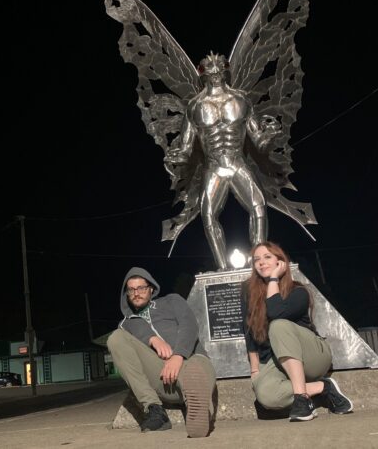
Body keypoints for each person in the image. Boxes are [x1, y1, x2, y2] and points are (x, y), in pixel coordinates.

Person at [165, 53, 283, 270]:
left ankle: (258, 263)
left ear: (225, 72)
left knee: (259, 207)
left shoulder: (241, 99)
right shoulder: (195, 106)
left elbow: (258, 142)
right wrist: (175, 158)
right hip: (213, 167)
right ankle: (222, 268)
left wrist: (270, 136)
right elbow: (186, 148)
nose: (216, 74)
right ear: (204, 74)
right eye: (212, 72)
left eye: (220, 70)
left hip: (237, 163)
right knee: (207, 214)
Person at [241, 241, 354, 421]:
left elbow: (276, 312)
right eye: (256, 260)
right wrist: (255, 370)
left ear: (281, 262)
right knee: (267, 396)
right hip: (279, 360)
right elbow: (247, 330)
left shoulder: (299, 291)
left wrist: (273, 279)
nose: (261, 262)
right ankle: (323, 388)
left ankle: (302, 400)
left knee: (278, 325)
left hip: (313, 356)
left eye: (267, 257)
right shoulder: (249, 293)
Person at [107, 267, 216, 437]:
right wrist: (152, 338)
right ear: (126, 294)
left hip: (192, 360)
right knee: (115, 338)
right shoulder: (126, 324)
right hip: (163, 378)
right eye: (131, 289)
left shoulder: (172, 301)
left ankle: (200, 411)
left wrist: (178, 356)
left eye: (141, 288)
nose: (137, 293)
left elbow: (190, 325)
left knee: (195, 372)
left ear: (151, 289)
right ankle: (154, 409)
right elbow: (131, 327)